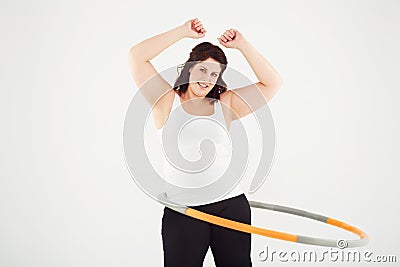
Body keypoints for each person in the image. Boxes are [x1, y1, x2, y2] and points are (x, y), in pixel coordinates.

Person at [129, 18, 283, 267]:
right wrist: (181, 32)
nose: (207, 78)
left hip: (231, 206)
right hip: (184, 211)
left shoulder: (226, 105)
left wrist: (243, 45)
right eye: (202, 70)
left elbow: (273, 83)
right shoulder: (165, 101)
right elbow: (137, 56)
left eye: (215, 73)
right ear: (189, 68)